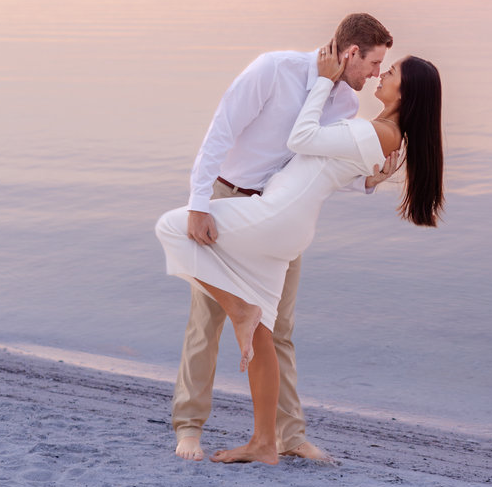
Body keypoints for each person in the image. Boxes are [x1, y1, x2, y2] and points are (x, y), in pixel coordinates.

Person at [156, 42, 444, 464]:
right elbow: (317, 163)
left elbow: (302, 139)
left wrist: (324, 84)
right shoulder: (281, 72)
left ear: (407, 93)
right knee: (259, 334)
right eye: (379, 63)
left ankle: (244, 322)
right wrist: (368, 180)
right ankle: (262, 441)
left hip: (273, 216)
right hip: (277, 218)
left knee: (170, 229)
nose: (379, 74)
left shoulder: (359, 115)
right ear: (351, 52)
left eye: (390, 70)